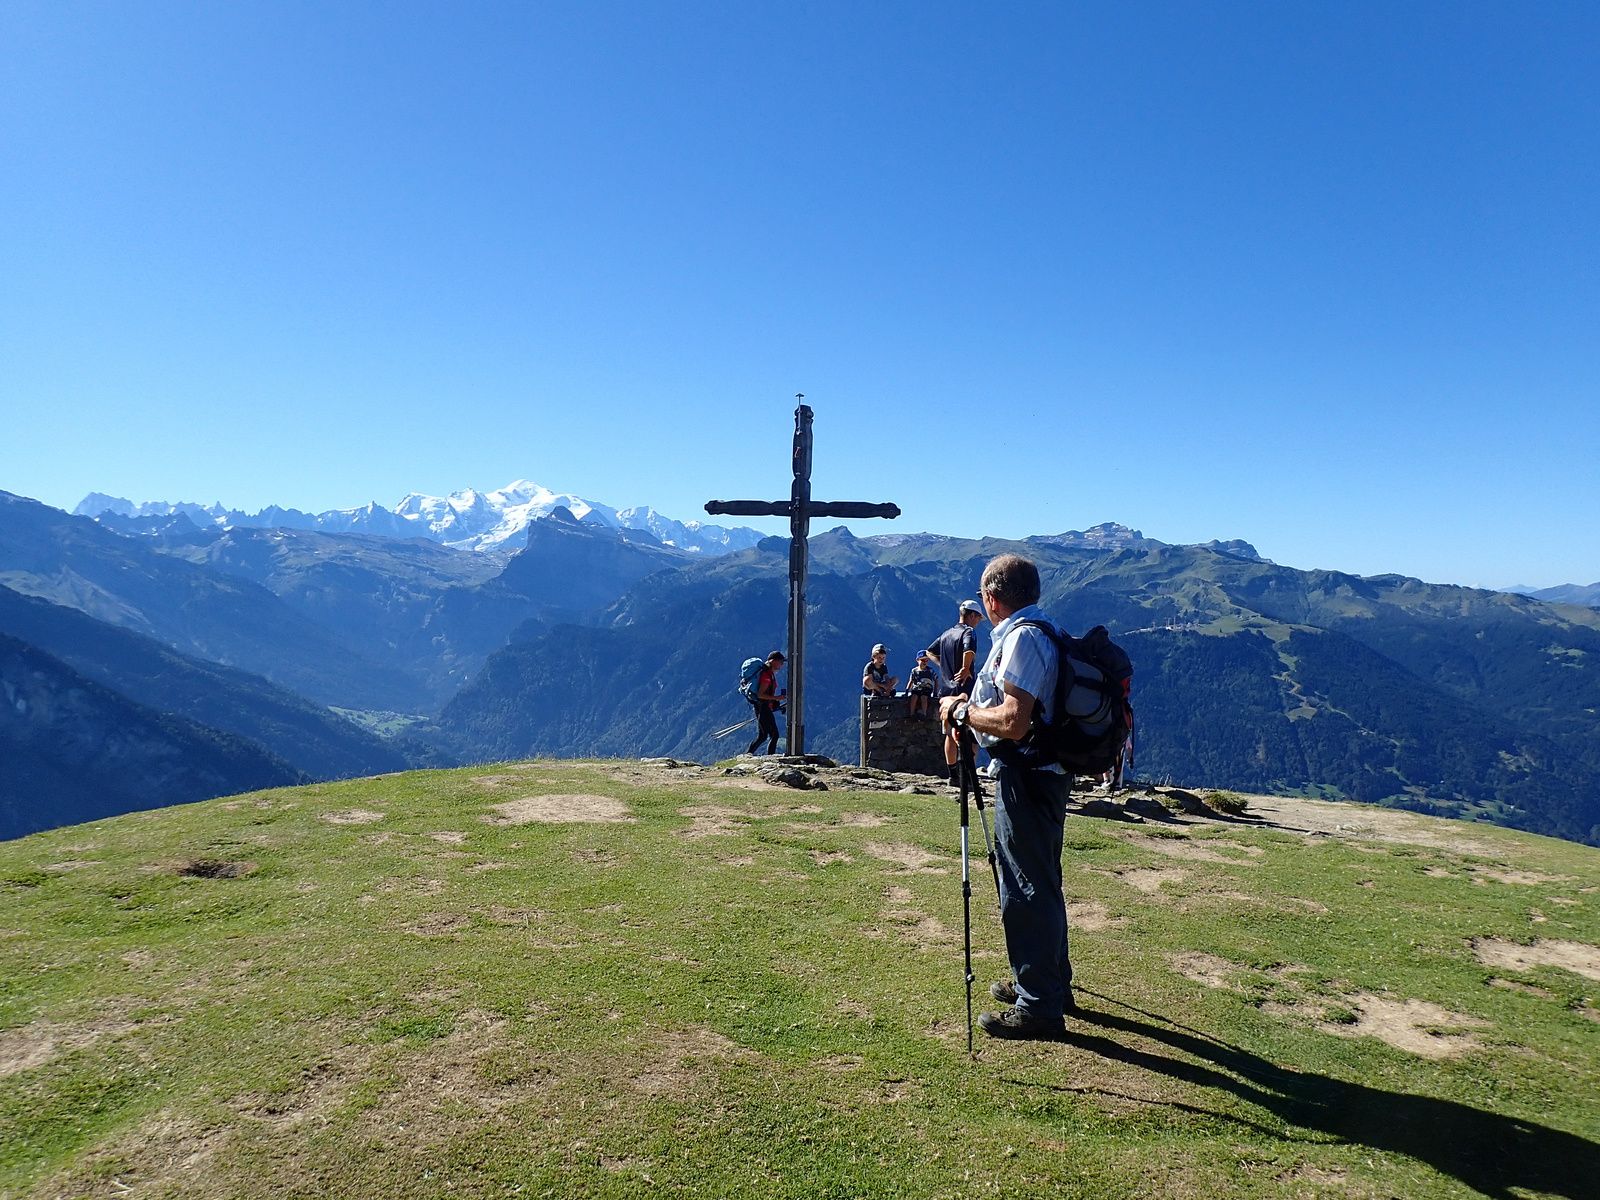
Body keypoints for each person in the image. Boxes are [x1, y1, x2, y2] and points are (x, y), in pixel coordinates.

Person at [940, 553, 1073, 1041]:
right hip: (1040, 774)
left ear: (992, 598)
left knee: (1025, 887)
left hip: (1028, 776)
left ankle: (1038, 1006)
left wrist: (962, 713)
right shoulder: (1041, 632)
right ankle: (1045, 982)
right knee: (1038, 879)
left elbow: (1014, 721)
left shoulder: (1022, 640)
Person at [929, 598, 984, 787]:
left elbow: (930, 651)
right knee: (970, 736)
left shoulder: (946, 634)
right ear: (971, 615)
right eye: (977, 617)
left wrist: (943, 666)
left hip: (945, 690)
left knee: (949, 732)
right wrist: (966, 667)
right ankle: (967, 777)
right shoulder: (969, 632)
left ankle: (953, 775)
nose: (978, 621)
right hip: (964, 690)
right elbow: (969, 650)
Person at [746, 650, 786, 756]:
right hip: (763, 707)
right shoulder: (766, 676)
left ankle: (748, 754)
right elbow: (760, 694)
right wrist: (776, 698)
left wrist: (775, 702)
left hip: (762, 707)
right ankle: (770, 758)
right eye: (781, 662)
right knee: (774, 735)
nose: (782, 664)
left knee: (763, 735)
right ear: (773, 661)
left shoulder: (769, 674)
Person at [905, 651, 939, 719]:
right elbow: (911, 681)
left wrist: (935, 692)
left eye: (926, 660)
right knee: (914, 697)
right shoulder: (914, 671)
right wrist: (907, 691)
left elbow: (936, 680)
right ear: (917, 660)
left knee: (924, 697)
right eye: (923, 660)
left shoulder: (930, 670)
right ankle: (912, 714)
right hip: (917, 688)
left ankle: (924, 713)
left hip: (927, 688)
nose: (925, 662)